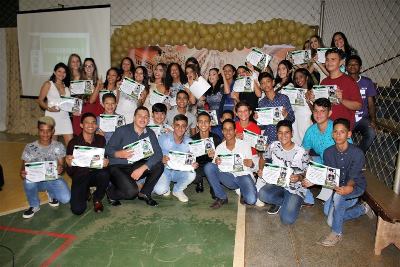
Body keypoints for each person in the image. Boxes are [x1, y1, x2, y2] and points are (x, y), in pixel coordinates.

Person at [304, 118, 370, 247]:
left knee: (338, 200)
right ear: (332, 134)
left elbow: (354, 176)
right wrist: (313, 182)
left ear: (349, 134)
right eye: (335, 132)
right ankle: (362, 209)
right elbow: (328, 176)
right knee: (328, 213)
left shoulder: (357, 153)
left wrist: (349, 188)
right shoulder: (328, 152)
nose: (338, 135)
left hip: (355, 187)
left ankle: (336, 233)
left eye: (342, 132)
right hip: (338, 187)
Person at [105, 106, 163, 206]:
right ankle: (111, 193)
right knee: (131, 193)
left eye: (146, 116)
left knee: (159, 165)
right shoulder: (122, 130)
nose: (143, 118)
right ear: (134, 117)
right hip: (117, 167)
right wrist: (119, 153)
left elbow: (158, 154)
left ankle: (145, 193)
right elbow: (108, 149)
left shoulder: (150, 133)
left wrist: (143, 168)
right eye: (140, 116)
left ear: (149, 120)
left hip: (134, 166)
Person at [258, 120, 310, 224]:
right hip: (277, 183)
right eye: (280, 132)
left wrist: (298, 177)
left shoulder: (301, 152)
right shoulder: (273, 146)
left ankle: (295, 203)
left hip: (294, 188)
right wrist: (261, 169)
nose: (283, 135)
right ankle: (287, 203)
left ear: (292, 133)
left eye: (287, 132)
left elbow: (307, 173)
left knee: (286, 220)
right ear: (277, 134)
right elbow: (263, 158)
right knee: (262, 194)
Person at [20, 117, 71, 219]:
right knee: (28, 181)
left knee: (66, 199)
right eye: (42, 131)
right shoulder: (30, 147)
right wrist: (22, 172)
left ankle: (51, 193)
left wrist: (61, 168)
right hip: (36, 181)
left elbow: (62, 166)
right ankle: (34, 205)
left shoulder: (59, 146)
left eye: (48, 131)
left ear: (53, 131)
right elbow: (23, 166)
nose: (45, 134)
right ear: (38, 131)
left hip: (52, 179)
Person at [204, 119, 257, 209]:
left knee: (251, 200)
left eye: (230, 129)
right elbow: (214, 167)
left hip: (243, 176)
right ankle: (221, 197)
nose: (228, 132)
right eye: (225, 129)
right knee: (209, 167)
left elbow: (251, 166)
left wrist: (251, 164)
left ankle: (244, 190)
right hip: (229, 177)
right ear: (222, 131)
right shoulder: (220, 148)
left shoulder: (245, 145)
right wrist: (216, 162)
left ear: (235, 131)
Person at [66, 113, 110, 215]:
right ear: (81, 125)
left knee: (105, 173)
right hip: (80, 176)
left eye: (93, 122)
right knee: (77, 210)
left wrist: (106, 162)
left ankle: (97, 198)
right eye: (87, 122)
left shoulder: (100, 139)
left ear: (96, 125)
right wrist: (69, 164)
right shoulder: (73, 143)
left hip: (95, 174)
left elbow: (105, 158)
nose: (91, 125)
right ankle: (85, 191)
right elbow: (70, 172)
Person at [153, 114, 199, 202]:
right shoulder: (163, 138)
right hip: (164, 170)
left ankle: (177, 190)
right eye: (177, 125)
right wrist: (161, 159)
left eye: (183, 126)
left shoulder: (190, 142)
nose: (180, 128)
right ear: (173, 126)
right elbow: (154, 155)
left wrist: (194, 164)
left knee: (192, 174)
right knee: (160, 191)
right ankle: (166, 187)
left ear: (186, 128)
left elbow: (192, 159)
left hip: (180, 171)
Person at [346, 55, 377, 153]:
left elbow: (371, 103)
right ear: (346, 67)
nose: (353, 66)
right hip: (346, 117)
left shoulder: (367, 82)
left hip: (362, 118)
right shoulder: (342, 81)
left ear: (360, 67)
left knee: (371, 133)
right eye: (350, 64)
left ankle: (357, 155)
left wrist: (373, 120)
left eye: (356, 64)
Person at [37, 62, 73, 145]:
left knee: (70, 144)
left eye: (64, 72)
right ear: (54, 72)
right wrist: (49, 108)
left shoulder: (67, 86)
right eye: (59, 71)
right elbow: (40, 100)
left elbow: (69, 103)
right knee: (52, 145)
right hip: (51, 117)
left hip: (65, 117)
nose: (62, 74)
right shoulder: (48, 84)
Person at [257, 72, 295, 144]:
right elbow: (263, 127)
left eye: (268, 81)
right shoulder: (261, 103)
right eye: (262, 83)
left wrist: (286, 115)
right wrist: (258, 119)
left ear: (273, 82)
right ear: (261, 86)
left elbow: (292, 119)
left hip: (283, 138)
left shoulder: (283, 98)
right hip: (269, 139)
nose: (266, 84)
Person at [191, 111, 221, 194]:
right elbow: (190, 157)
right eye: (200, 122)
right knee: (192, 174)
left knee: (215, 167)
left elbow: (221, 157)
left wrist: (215, 157)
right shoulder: (192, 139)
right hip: (198, 166)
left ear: (210, 123)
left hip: (211, 166)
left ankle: (213, 184)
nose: (203, 124)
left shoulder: (216, 138)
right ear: (197, 124)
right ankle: (199, 181)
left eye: (206, 121)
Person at [72, 58, 103, 136]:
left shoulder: (98, 81)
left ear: (94, 67)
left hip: (94, 113)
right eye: (86, 66)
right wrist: (73, 110)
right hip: (81, 114)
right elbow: (75, 99)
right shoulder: (78, 79)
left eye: (91, 66)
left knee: (94, 140)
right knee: (80, 140)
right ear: (83, 68)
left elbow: (96, 100)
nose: (88, 68)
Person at [292, 68, 314, 145]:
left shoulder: (313, 91)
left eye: (301, 76)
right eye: (296, 78)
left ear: (307, 77)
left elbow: (316, 111)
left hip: (307, 122)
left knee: (305, 145)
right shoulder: (294, 92)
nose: (298, 79)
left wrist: (308, 101)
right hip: (295, 123)